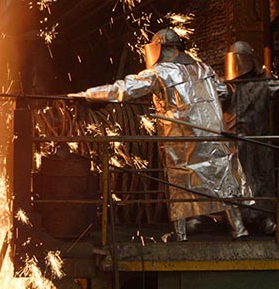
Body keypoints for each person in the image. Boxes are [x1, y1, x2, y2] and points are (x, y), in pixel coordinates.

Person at [68, 28, 251, 241]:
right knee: (223, 180)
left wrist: (88, 95)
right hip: (212, 136)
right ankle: (239, 230)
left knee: (179, 182)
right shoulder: (203, 68)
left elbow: (125, 89)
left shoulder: (161, 72)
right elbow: (224, 93)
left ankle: (180, 235)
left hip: (181, 140)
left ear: (160, 48)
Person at [220, 40, 278, 235]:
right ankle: (241, 220)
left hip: (259, 141)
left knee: (261, 180)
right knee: (238, 181)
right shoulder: (225, 88)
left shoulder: (265, 84)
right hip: (235, 144)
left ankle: (262, 218)